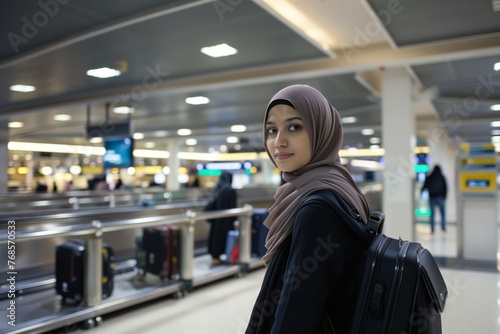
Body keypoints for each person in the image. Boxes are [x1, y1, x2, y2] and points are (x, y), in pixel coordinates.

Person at [246, 84, 371, 333]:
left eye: (294, 127)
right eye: (271, 130)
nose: (278, 142)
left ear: (321, 130)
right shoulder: (340, 185)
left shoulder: (316, 209)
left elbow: (296, 314)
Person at [204, 171, 238, 265]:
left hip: (216, 220)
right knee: (225, 239)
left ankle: (215, 258)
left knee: (215, 238)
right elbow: (232, 207)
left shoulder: (217, 188)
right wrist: (234, 220)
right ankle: (227, 257)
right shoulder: (230, 190)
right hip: (226, 220)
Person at [421, 164, 447, 233]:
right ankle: (443, 227)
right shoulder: (442, 177)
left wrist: (421, 192)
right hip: (440, 197)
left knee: (432, 214)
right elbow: (445, 188)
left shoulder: (430, 177)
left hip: (432, 197)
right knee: (443, 213)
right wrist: (444, 197)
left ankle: (432, 228)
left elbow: (425, 186)